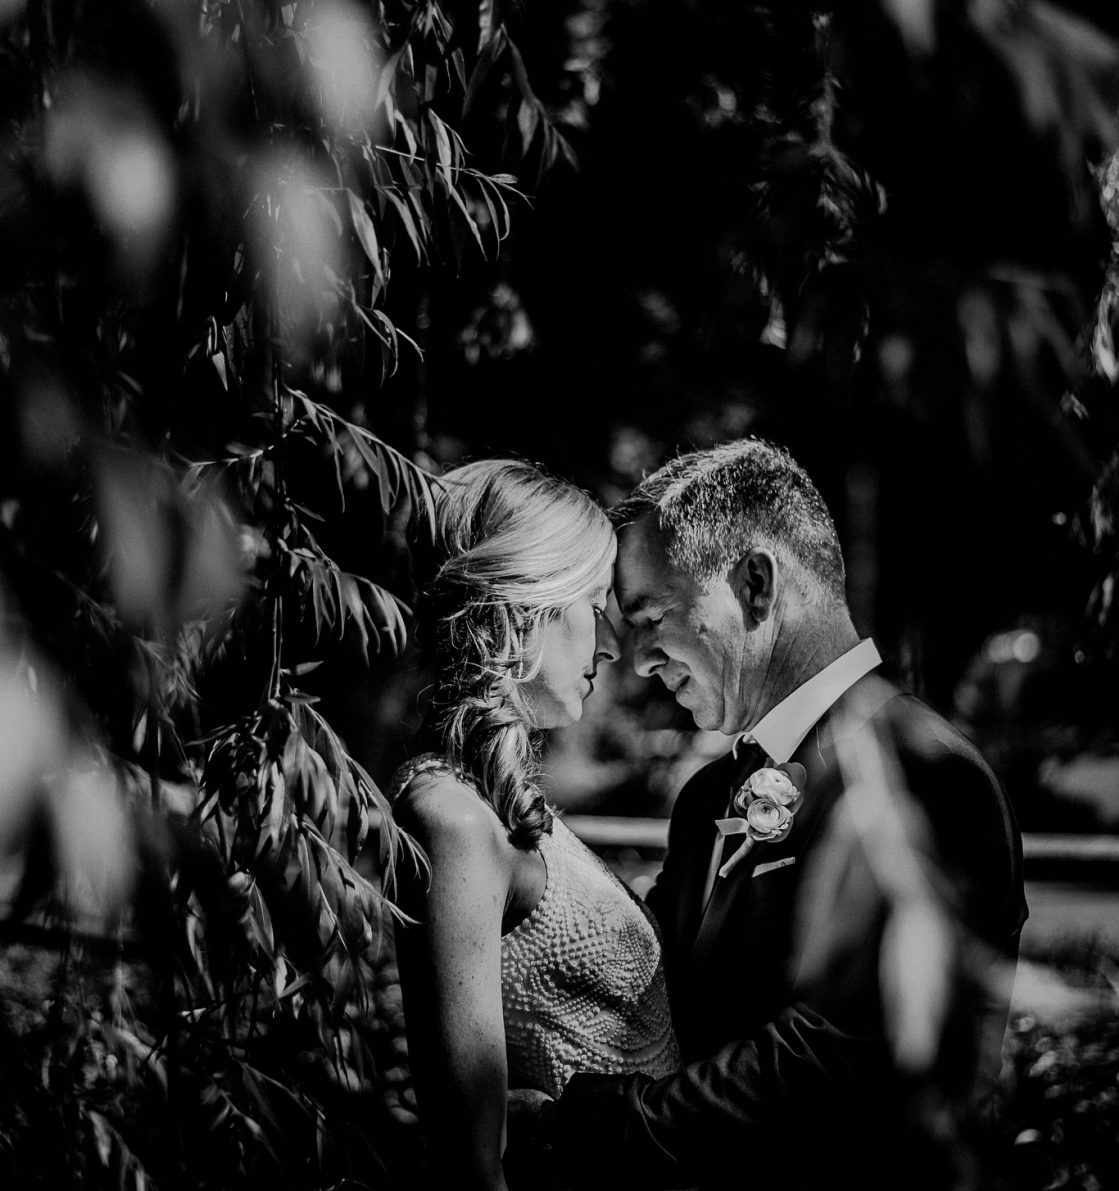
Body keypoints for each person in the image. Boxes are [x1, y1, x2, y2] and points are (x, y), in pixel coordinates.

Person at [532, 438, 1027, 1190]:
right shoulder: (708, 800)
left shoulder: (927, 772)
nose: (637, 660)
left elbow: (847, 1054)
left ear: (755, 585)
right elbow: (658, 982)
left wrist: (599, 1126)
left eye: (653, 615)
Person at [391, 459, 681, 1191]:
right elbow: (468, 1162)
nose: (613, 646)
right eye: (594, 603)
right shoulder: (451, 818)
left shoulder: (502, 806)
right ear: (528, 602)